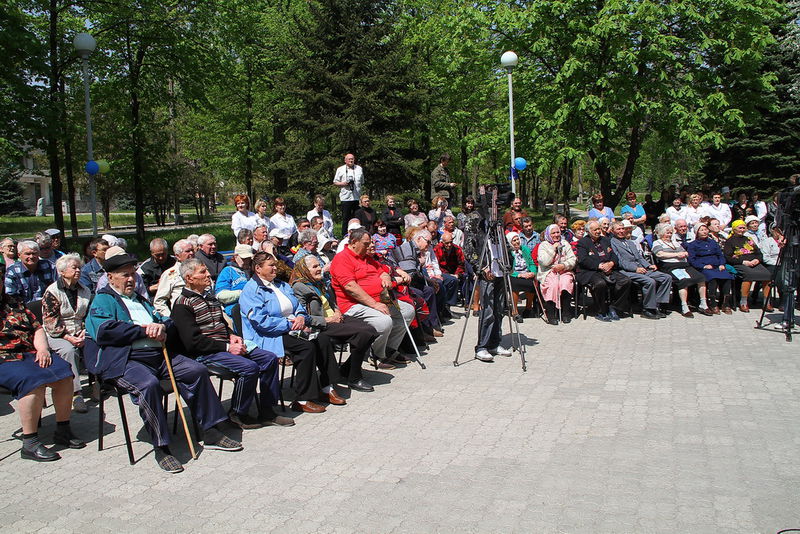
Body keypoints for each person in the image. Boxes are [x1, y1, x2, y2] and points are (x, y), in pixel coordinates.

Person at [85, 252, 242, 473]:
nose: (130, 279)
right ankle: (162, 447)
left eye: (132, 275)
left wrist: (162, 327)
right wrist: (142, 330)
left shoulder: (140, 299)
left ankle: (211, 430)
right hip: (127, 360)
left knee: (196, 370)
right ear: (111, 278)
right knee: (148, 385)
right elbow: (103, 331)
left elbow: (166, 321)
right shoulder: (103, 299)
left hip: (159, 355)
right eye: (124, 275)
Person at [170, 259, 292, 429]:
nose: (208, 275)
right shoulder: (182, 304)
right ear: (189, 278)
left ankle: (267, 411)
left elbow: (221, 324)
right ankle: (237, 413)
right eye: (203, 272)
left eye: (206, 271)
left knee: (269, 358)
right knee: (249, 367)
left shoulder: (210, 297)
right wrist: (227, 347)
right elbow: (193, 342)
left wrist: (233, 335)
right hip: (206, 352)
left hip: (225, 345)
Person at [239, 251, 344, 413]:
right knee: (305, 347)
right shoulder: (251, 290)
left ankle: (326, 387)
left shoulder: (281, 285)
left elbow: (298, 307)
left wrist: (301, 318)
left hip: (293, 328)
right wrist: (290, 324)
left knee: (322, 339)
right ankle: (302, 399)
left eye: (275, 264)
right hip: (269, 335)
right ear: (258, 268)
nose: (276, 268)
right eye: (271, 265)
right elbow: (261, 322)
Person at [0, 266, 85, 462]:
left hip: (30, 353)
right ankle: (29, 443)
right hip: (4, 358)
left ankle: (63, 430)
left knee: (64, 372)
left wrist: (43, 349)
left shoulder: (14, 302)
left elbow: (37, 328)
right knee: (33, 380)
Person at [291, 256, 378, 392]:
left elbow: (331, 301)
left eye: (319, 265)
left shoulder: (318, 283)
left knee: (371, 329)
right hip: (321, 324)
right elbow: (302, 316)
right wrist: (328, 320)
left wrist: (337, 311)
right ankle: (354, 378)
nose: (319, 268)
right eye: (314, 267)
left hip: (334, 317)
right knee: (362, 333)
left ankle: (347, 368)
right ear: (304, 270)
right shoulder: (299, 287)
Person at [330, 228, 416, 366]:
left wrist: (386, 277)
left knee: (407, 311)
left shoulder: (367, 257)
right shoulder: (342, 259)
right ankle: (376, 355)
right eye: (366, 243)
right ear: (353, 242)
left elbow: (382, 270)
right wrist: (375, 305)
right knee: (384, 321)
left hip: (378, 299)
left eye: (370, 242)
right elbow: (351, 288)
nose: (369, 246)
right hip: (353, 304)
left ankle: (389, 348)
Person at [41, 253, 92, 413]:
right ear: (62, 272)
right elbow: (51, 323)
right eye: (74, 268)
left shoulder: (85, 290)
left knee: (98, 344)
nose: (78, 271)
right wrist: (69, 337)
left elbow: (89, 314)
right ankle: (76, 393)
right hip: (58, 334)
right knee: (69, 351)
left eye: (79, 268)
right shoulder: (52, 292)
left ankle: (100, 384)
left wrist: (85, 331)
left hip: (80, 331)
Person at [466, 222, 513, 362]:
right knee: (488, 313)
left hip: (500, 272)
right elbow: (468, 250)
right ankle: (482, 346)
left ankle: (494, 343)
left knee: (499, 311)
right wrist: (480, 267)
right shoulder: (476, 221)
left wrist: (508, 263)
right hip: (487, 274)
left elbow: (507, 248)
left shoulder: (499, 225)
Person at [610, 221, 673, 319]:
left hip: (641, 267)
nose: (622, 231)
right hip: (625, 271)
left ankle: (657, 305)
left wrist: (648, 265)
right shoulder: (612, 242)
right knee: (650, 281)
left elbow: (639, 257)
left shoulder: (630, 242)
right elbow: (620, 261)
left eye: (623, 228)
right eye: (618, 229)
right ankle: (647, 309)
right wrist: (635, 269)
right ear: (613, 231)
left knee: (666, 277)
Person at [576, 221, 633, 321]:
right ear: (588, 232)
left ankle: (614, 306)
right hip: (591, 271)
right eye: (595, 230)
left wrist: (611, 263)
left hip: (609, 268)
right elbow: (583, 260)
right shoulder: (583, 243)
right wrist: (600, 266)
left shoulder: (605, 240)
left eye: (599, 229)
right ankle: (601, 310)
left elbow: (614, 256)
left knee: (626, 281)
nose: (598, 231)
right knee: (600, 284)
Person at [651, 223, 711, 317]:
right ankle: (684, 306)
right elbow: (660, 254)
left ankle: (703, 304)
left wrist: (684, 254)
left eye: (671, 233)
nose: (669, 235)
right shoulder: (657, 243)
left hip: (683, 265)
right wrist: (676, 255)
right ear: (661, 233)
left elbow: (684, 252)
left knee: (701, 278)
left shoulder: (675, 243)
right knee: (683, 280)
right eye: (667, 233)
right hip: (670, 266)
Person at [723, 219, 772, 312]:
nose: (742, 230)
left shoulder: (748, 239)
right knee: (749, 275)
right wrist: (744, 262)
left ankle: (767, 302)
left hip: (754, 262)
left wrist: (757, 260)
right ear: (734, 229)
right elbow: (728, 257)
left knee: (768, 275)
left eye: (743, 228)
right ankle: (743, 302)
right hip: (740, 263)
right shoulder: (730, 241)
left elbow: (759, 253)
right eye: (739, 228)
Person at [686, 222, 735, 314]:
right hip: (704, 266)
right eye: (702, 230)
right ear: (697, 232)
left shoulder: (712, 242)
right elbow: (692, 260)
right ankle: (712, 303)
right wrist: (703, 266)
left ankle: (725, 303)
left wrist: (721, 264)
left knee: (727, 277)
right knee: (712, 279)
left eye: (705, 230)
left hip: (717, 265)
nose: (704, 232)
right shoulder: (693, 244)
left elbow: (720, 255)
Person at [536, 224, 576, 325]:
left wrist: (563, 265)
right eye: (553, 233)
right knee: (553, 285)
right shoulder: (543, 245)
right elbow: (544, 262)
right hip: (548, 271)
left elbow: (573, 259)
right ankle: (551, 314)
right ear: (548, 234)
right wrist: (553, 249)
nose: (556, 235)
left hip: (564, 270)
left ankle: (566, 313)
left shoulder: (565, 243)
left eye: (558, 232)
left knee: (565, 283)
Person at [4, 240, 56, 304]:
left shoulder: (49, 266)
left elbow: (58, 287)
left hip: (47, 306)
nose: (31, 257)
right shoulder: (12, 271)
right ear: (19, 255)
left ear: (39, 254)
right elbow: (10, 295)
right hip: (24, 309)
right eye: (27, 254)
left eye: (34, 253)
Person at [153, 239, 196, 317]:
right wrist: (171, 318)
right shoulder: (169, 274)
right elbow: (159, 302)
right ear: (177, 256)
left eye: (192, 250)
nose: (192, 253)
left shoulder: (201, 269)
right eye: (187, 251)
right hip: (183, 316)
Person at [215, 243, 254, 320]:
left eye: (249, 258)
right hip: (237, 311)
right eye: (244, 258)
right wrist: (243, 293)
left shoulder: (253, 270)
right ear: (236, 257)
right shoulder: (228, 271)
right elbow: (220, 295)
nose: (247, 261)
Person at [505, 232, 538, 320]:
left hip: (526, 273)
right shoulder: (508, 253)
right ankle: (514, 311)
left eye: (517, 240)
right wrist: (519, 275)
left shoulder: (525, 249)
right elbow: (508, 269)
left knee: (531, 283)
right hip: (514, 274)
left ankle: (528, 308)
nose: (517, 242)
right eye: (514, 240)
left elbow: (531, 263)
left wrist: (532, 272)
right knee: (515, 284)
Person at [333, 153, 364, 236]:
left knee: (357, 217)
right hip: (345, 197)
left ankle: (357, 234)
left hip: (356, 197)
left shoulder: (359, 169)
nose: (351, 160)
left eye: (352, 159)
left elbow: (362, 182)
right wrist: (344, 183)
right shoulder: (340, 169)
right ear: (345, 160)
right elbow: (335, 182)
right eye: (349, 159)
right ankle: (344, 235)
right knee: (346, 218)